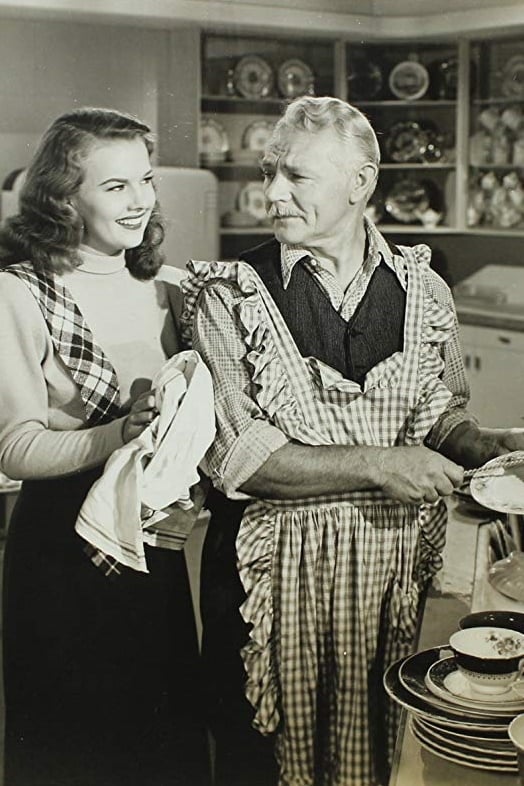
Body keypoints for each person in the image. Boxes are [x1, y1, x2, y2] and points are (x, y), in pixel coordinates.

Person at [181, 96, 524, 786]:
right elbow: (242, 459)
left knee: (371, 749)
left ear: (360, 182)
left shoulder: (424, 289)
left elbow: (437, 410)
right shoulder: (230, 295)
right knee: (260, 762)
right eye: (269, 171)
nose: (272, 193)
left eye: (296, 176)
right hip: (271, 583)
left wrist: (489, 445)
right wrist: (382, 464)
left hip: (387, 576)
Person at [0, 108, 211, 786]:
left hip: (152, 544)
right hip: (60, 552)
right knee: (75, 748)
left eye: (146, 180)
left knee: (162, 742)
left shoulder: (171, 289)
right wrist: (116, 434)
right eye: (116, 186)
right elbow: (14, 449)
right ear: (65, 198)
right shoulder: (19, 293)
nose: (140, 199)